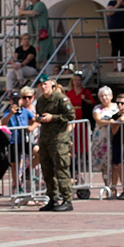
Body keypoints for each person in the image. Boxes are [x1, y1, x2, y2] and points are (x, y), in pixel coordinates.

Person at [36, 76, 75, 211]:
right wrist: (39, 118)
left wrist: (53, 117)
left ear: (51, 84)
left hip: (59, 139)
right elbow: (39, 113)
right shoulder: (40, 100)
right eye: (40, 85)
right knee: (47, 170)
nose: (43, 87)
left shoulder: (60, 98)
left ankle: (67, 199)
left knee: (61, 169)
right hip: (45, 139)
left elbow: (70, 115)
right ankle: (52, 199)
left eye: (45, 84)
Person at [91, 86, 118, 197]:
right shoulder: (97, 108)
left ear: (111, 96)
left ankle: (114, 187)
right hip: (101, 140)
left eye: (106, 95)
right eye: (102, 96)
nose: (104, 98)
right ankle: (107, 186)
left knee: (115, 165)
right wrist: (110, 122)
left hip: (114, 138)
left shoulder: (116, 107)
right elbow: (98, 120)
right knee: (104, 166)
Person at [19, 0, 54, 67]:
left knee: (42, 52)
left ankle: (41, 70)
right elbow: (20, 12)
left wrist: (23, 12)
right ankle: (37, 69)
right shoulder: (30, 7)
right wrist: (24, 1)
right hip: (34, 33)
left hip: (42, 32)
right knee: (34, 51)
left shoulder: (40, 4)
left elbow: (35, 12)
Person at [109, 93, 124, 200]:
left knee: (121, 167)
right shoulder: (115, 115)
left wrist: (116, 122)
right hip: (116, 143)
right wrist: (116, 121)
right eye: (118, 103)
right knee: (114, 167)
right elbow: (114, 131)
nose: (120, 105)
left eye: (122, 103)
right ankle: (113, 189)